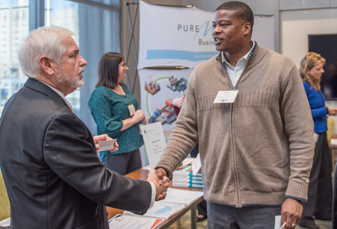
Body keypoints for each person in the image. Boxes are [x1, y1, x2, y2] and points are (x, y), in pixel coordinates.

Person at [154, 1, 315, 229]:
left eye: (224, 24)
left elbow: (301, 135)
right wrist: (165, 166)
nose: (216, 30)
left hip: (269, 203)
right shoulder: (201, 75)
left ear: (246, 27)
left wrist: (296, 194)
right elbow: (185, 129)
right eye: (214, 25)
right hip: (217, 202)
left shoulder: (281, 69)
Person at [0, 26, 169, 229]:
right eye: (74, 55)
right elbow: (99, 183)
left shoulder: (16, 102)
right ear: (47, 65)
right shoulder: (56, 118)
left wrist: (84, 144)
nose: (84, 61)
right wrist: (150, 189)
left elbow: (40, 155)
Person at [88, 52, 146, 175]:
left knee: (135, 184)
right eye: (123, 65)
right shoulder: (99, 94)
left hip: (133, 146)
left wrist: (139, 117)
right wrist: (134, 120)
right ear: (112, 68)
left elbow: (127, 111)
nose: (126, 68)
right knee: (117, 190)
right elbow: (108, 127)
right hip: (113, 150)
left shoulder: (122, 86)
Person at [299, 52, 337, 229]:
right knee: (312, 177)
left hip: (321, 133)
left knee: (324, 174)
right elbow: (302, 114)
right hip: (311, 135)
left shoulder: (316, 86)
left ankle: (324, 211)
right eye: (319, 68)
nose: (323, 71)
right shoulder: (304, 87)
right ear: (308, 70)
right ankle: (305, 216)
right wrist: (326, 111)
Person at [172, 96, 207, 222]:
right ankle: (202, 210)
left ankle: (209, 207)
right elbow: (182, 118)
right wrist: (174, 104)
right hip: (195, 138)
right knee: (197, 172)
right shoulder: (190, 93)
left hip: (210, 136)